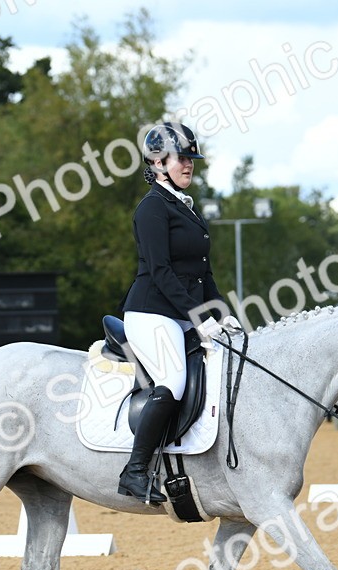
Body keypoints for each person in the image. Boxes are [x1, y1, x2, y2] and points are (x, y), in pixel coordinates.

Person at [117, 121, 227, 504]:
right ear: (158, 161)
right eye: (182, 159)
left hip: (182, 312)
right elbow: (161, 272)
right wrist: (199, 317)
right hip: (151, 312)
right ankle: (134, 471)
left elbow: (203, 271)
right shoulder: (151, 209)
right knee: (174, 381)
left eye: (191, 159)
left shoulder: (186, 209)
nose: (189, 166)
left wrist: (221, 315)